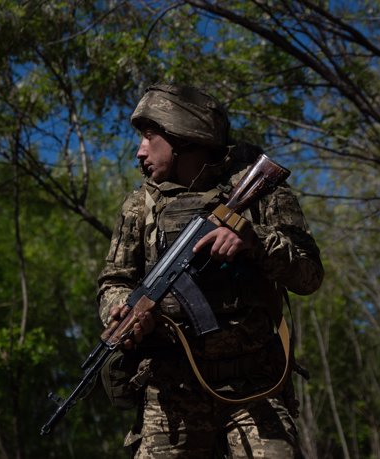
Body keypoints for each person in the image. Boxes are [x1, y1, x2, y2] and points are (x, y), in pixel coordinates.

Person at [97, 84, 324, 458]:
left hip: (255, 389)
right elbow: (114, 281)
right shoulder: (139, 206)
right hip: (171, 395)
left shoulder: (261, 192)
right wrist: (122, 310)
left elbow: (309, 275)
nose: (139, 151)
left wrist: (255, 241)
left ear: (182, 137)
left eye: (148, 137)